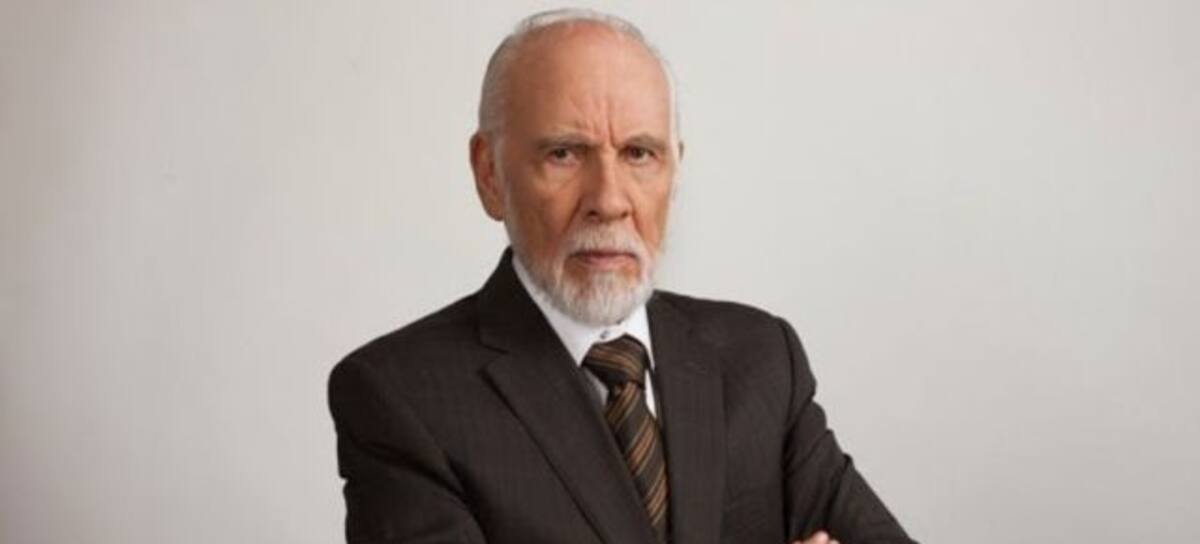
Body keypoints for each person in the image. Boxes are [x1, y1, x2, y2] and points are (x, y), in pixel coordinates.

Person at [328, 8, 917, 544]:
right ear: (489, 174)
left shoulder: (762, 359)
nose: (609, 201)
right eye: (564, 153)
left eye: (639, 154)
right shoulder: (402, 400)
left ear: (674, 170)